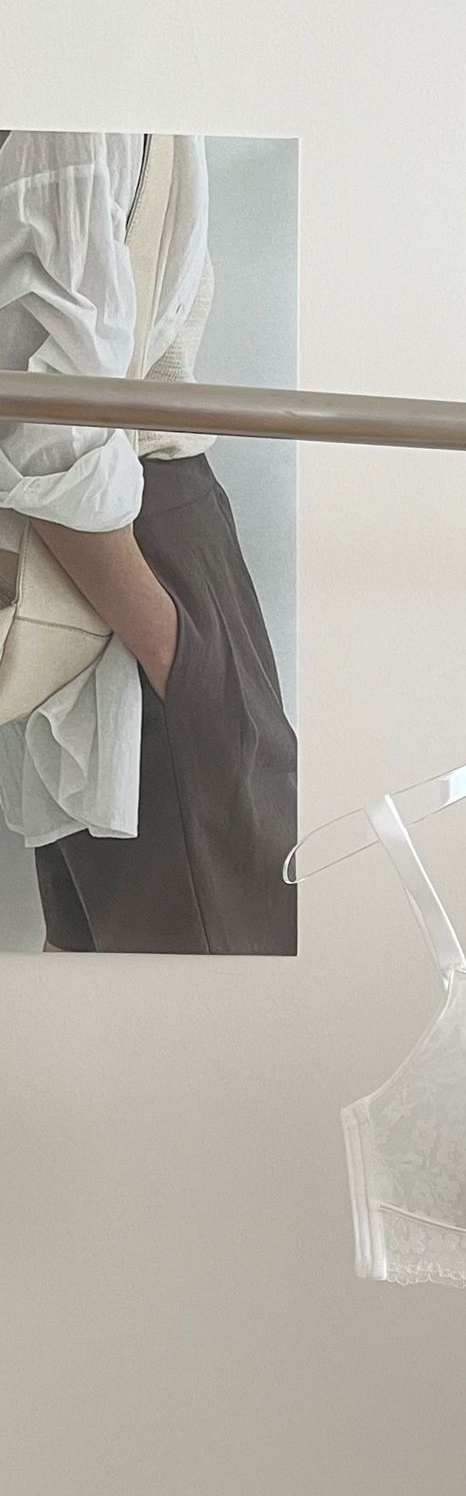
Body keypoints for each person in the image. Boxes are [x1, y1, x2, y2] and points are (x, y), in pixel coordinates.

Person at [0, 130, 296, 953]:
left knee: (113, 968)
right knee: (221, 967)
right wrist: (176, 649)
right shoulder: (76, 120)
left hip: (134, 556)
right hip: (126, 560)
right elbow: (50, 426)